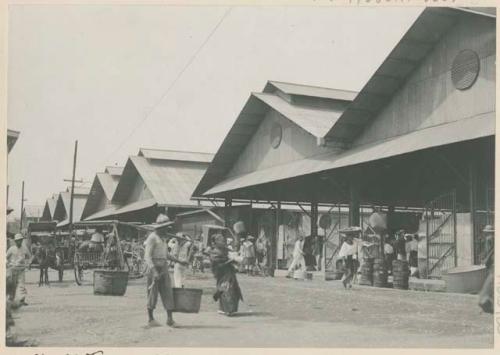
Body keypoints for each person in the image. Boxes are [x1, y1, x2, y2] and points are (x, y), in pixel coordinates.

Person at [144, 214, 189, 328]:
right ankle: (150, 319)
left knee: (168, 292)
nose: (167, 229)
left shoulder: (164, 238)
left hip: (163, 266)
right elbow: (147, 257)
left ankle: (170, 319)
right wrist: (154, 272)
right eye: (165, 227)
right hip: (153, 267)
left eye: (168, 227)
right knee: (152, 293)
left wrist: (179, 261)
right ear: (159, 228)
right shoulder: (152, 238)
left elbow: (166, 254)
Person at [209, 234, 243, 316]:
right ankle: (228, 310)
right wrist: (229, 261)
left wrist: (235, 260)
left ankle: (225, 309)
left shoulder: (225, 250)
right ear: (216, 242)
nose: (223, 241)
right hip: (222, 273)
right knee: (227, 289)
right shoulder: (214, 251)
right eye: (220, 240)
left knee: (232, 290)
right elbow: (217, 264)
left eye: (223, 240)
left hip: (229, 272)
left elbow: (231, 256)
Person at [6, 234, 31, 305]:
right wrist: (7, 264)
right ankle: (11, 299)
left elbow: (29, 257)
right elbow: (5, 257)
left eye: (20, 240)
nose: (19, 242)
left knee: (22, 285)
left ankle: (22, 300)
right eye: (17, 240)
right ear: (15, 241)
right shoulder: (11, 249)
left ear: (22, 240)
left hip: (21, 269)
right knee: (12, 284)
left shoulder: (25, 248)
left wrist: (28, 263)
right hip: (13, 269)